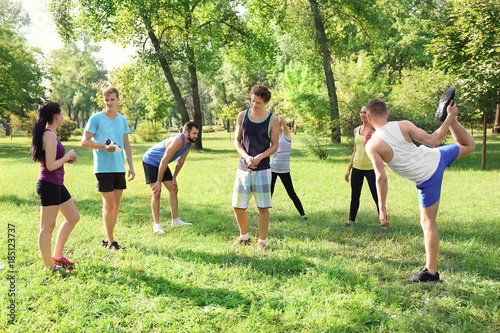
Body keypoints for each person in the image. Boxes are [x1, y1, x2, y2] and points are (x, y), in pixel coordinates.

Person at [364, 97, 475, 282]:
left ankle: (431, 272)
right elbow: (434, 141)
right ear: (387, 114)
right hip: (437, 156)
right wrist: (450, 119)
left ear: (368, 116)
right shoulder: (403, 124)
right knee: (469, 145)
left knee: (428, 222)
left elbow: (381, 178)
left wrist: (382, 208)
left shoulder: (372, 145)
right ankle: (455, 120)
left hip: (427, 177)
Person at [81, 86, 135, 250]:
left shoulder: (123, 119)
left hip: (119, 167)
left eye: (112, 99)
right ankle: (112, 242)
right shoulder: (96, 118)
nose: (109, 103)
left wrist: (131, 166)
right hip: (103, 168)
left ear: (118, 100)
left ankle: (107, 237)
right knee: (109, 203)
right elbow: (84, 141)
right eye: (106, 100)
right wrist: (103, 147)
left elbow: (126, 143)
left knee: (116, 204)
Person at [30, 102, 80, 274]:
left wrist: (67, 159)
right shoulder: (49, 135)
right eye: (62, 113)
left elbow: (53, 162)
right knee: (47, 227)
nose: (64, 116)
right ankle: (49, 267)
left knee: (73, 217)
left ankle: (57, 256)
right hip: (48, 184)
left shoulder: (51, 135)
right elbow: (50, 165)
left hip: (57, 184)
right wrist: (66, 157)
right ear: (56, 116)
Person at [232, 85, 280, 251]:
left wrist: (259, 157)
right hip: (243, 167)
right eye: (252, 101)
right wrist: (246, 156)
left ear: (265, 103)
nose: (254, 105)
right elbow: (237, 141)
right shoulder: (242, 116)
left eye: (258, 103)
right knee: (237, 205)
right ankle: (244, 236)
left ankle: (262, 240)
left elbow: (275, 145)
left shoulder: (272, 120)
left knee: (263, 207)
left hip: (263, 168)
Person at [142, 122, 199, 233]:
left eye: (197, 133)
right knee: (156, 192)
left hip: (162, 163)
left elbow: (181, 160)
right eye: (194, 133)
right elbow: (164, 160)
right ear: (186, 132)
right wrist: (158, 181)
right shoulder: (177, 141)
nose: (196, 136)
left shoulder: (190, 143)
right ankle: (156, 225)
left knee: (173, 188)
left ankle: (175, 220)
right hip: (151, 161)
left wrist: (174, 177)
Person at [343, 106, 379, 228]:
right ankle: (350, 221)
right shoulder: (356, 130)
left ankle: (384, 223)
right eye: (361, 112)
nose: (362, 115)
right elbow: (355, 150)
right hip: (357, 167)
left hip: (371, 168)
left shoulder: (375, 131)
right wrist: (349, 169)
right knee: (355, 195)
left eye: (365, 112)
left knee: (376, 195)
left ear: (370, 115)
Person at [270, 115, 306, 220]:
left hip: (284, 170)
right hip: (273, 168)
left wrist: (277, 118)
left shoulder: (286, 135)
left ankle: (303, 214)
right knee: (269, 193)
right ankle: (263, 214)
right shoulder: (274, 136)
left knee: (291, 193)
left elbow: (282, 120)